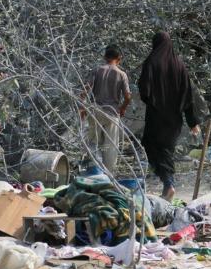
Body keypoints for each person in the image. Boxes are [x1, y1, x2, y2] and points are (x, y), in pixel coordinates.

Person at [138, 32, 200, 201]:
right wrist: (192, 122)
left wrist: (152, 101)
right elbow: (188, 96)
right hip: (174, 119)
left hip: (156, 117)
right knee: (167, 151)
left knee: (152, 147)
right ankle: (168, 185)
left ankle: (168, 184)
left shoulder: (151, 62)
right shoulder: (179, 66)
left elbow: (144, 90)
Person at [81, 44, 131, 172]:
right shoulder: (121, 74)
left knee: (93, 143)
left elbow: (84, 91)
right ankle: (108, 176)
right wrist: (123, 108)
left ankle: (93, 172)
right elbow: (127, 96)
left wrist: (82, 108)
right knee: (110, 147)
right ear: (119, 58)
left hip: (95, 110)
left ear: (105, 57)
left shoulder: (97, 70)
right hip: (112, 113)